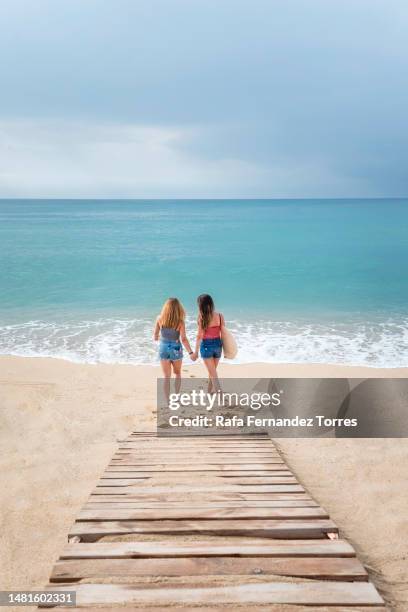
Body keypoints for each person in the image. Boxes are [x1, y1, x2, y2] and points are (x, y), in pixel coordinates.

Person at [154, 297, 195, 401]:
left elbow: (155, 336)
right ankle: (176, 397)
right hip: (176, 348)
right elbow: (184, 339)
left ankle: (168, 401)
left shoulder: (159, 318)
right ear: (178, 308)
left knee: (166, 377)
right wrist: (190, 352)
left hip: (163, 348)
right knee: (177, 373)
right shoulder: (180, 322)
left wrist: (164, 339)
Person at [193, 293, 224, 393]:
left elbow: (199, 336)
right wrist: (226, 349)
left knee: (213, 373)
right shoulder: (219, 316)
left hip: (206, 346)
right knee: (212, 371)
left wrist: (196, 352)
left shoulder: (202, 318)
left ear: (200, 306)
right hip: (218, 346)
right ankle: (209, 391)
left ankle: (221, 396)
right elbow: (223, 333)